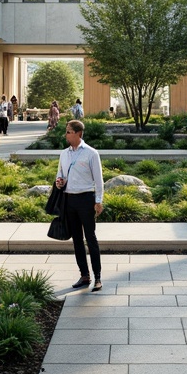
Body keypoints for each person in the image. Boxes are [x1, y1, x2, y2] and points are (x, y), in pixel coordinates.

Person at [55, 119, 104, 291]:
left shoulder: (91, 153)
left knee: (90, 238)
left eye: (69, 131)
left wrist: (98, 201)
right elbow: (59, 175)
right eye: (66, 131)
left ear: (79, 134)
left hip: (86, 199)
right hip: (69, 200)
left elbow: (99, 180)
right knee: (76, 239)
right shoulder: (64, 154)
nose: (66, 134)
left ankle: (97, 277)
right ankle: (84, 275)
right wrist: (59, 182)